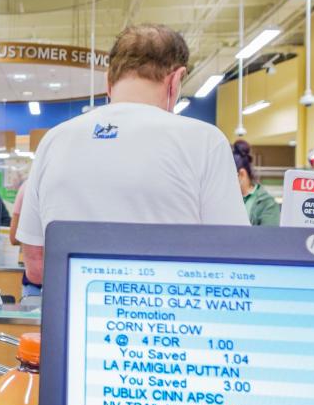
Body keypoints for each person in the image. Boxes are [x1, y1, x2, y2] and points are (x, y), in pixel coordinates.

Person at [18, 24, 248, 284]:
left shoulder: (54, 140)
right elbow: (233, 255)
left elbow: (35, 267)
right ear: (176, 79)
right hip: (170, 317)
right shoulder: (205, 141)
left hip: (72, 319)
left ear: (108, 80)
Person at [233, 139, 280, 226]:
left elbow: (271, 236)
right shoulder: (229, 198)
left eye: (230, 177)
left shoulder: (267, 203)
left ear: (242, 174)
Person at [8, 181, 41, 299]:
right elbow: (13, 237)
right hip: (37, 280)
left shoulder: (28, 186)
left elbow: (14, 237)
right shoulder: (28, 186)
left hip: (35, 279)